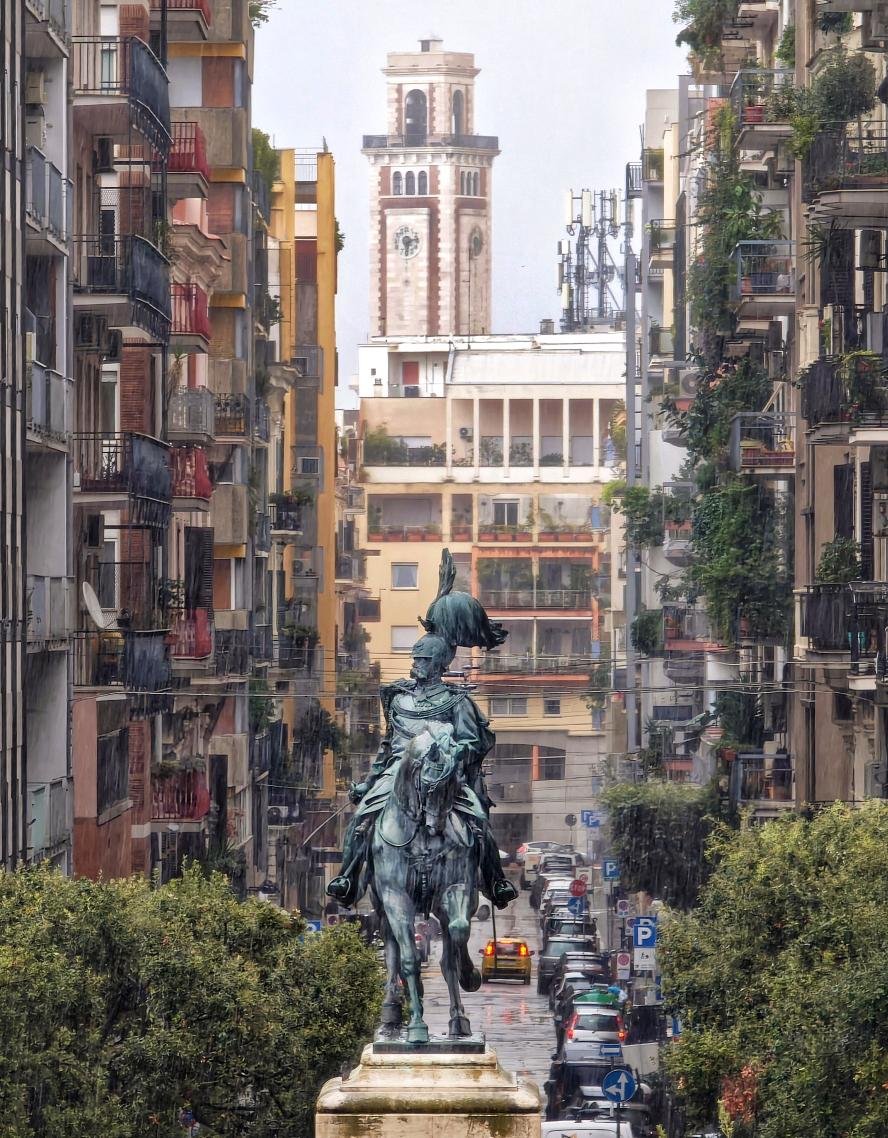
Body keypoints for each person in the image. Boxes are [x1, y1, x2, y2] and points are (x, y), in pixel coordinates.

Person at [326, 632, 518, 910]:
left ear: (439, 664)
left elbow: (472, 741)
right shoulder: (399, 699)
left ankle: (495, 881)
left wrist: (453, 753)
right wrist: (368, 784)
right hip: (398, 772)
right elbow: (387, 746)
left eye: (423, 659)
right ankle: (347, 878)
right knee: (361, 819)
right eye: (415, 658)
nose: (416, 664)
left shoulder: (457, 701)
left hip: (443, 773)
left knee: (478, 822)